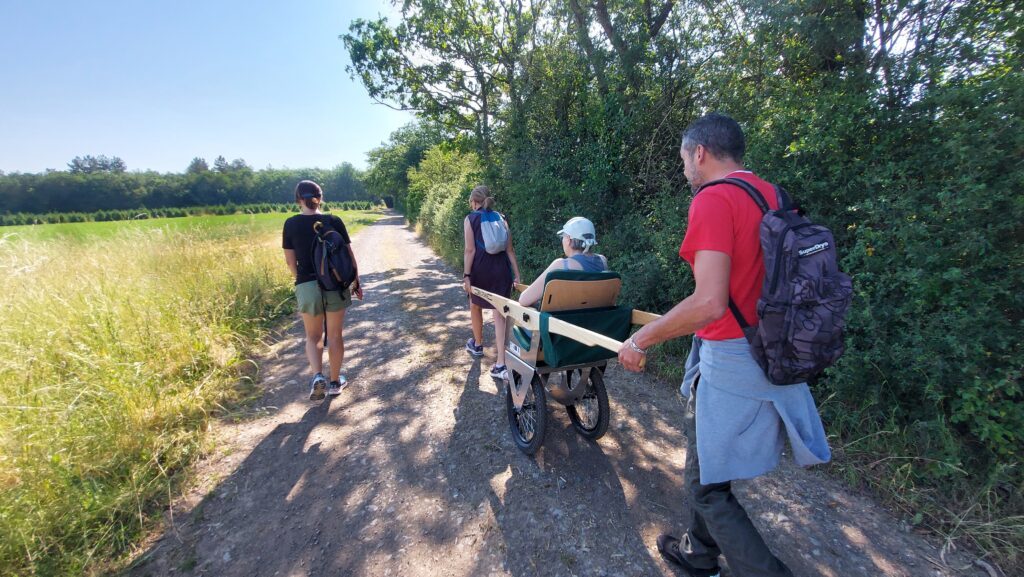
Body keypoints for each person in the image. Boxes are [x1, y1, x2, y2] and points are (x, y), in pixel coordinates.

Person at [617, 113, 830, 577]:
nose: (684, 171)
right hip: (778, 347)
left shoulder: (714, 200)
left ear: (700, 153)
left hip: (733, 358)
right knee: (708, 466)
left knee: (706, 488)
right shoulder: (773, 194)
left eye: (683, 160)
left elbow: (710, 302)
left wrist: (641, 338)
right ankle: (697, 552)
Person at [282, 180, 363, 401]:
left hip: (307, 285)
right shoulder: (333, 221)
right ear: (321, 196)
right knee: (335, 335)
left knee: (313, 336)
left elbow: (291, 263)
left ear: (298, 199)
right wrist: (355, 281)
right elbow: (349, 255)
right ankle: (336, 382)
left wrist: (302, 282)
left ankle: (318, 376)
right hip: (335, 286)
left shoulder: (291, 224)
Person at [462, 185, 521, 380]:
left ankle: (477, 345)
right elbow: (510, 250)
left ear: (474, 201)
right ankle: (501, 364)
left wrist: (466, 276)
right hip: (502, 271)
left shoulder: (470, 219)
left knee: (474, 304)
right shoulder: (501, 218)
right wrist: (517, 275)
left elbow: (470, 251)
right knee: (500, 316)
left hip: (480, 271)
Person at [518, 216, 609, 307]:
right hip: (596, 318)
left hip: (565, 320)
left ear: (569, 239)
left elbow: (524, 300)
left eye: (563, 237)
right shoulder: (602, 261)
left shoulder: (562, 265)